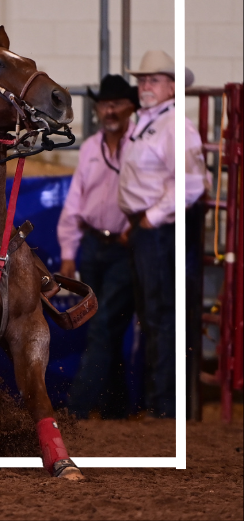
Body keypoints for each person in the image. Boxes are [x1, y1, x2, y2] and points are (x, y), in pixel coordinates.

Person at [118, 49, 206, 419]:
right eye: (142, 80)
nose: (144, 86)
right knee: (153, 313)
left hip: (162, 229)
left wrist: (152, 217)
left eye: (153, 80)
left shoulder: (175, 125)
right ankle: (159, 401)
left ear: (172, 87)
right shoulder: (146, 121)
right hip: (148, 227)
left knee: (161, 313)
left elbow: (193, 182)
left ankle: (165, 404)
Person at [59, 74, 139, 419]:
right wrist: (67, 252)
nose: (109, 110)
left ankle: (76, 408)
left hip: (126, 247)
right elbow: (74, 203)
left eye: (117, 103)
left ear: (130, 108)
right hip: (92, 245)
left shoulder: (140, 145)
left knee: (105, 324)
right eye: (104, 104)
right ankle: (116, 407)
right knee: (108, 325)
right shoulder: (91, 148)